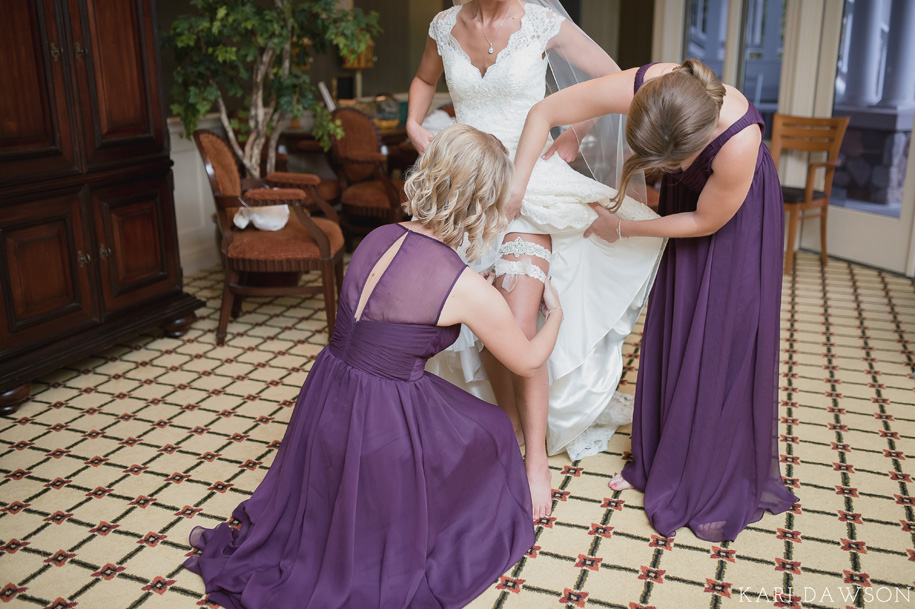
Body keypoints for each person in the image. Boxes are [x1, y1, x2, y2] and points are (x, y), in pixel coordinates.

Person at [185, 124, 563, 608]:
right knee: (490, 427)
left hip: (324, 401)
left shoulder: (378, 235)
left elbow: (396, 306)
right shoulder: (464, 284)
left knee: (465, 417)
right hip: (381, 421)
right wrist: (555, 315)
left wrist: (473, 290)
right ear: (484, 202)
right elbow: (529, 359)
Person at [510, 60, 799, 541]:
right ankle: (654, 458)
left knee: (718, 336)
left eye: (668, 166)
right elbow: (545, 110)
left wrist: (621, 227)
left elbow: (706, 221)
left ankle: (706, 468)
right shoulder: (651, 86)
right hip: (686, 203)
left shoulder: (739, 142)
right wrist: (522, 184)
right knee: (675, 324)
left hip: (733, 220)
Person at [408, 0, 665, 519]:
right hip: (466, 184)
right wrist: (415, 124)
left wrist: (574, 133)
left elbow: (613, 79)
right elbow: (421, 79)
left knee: (519, 323)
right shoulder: (443, 25)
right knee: (475, 323)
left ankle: (535, 464)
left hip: (533, 185)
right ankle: (505, 432)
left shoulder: (544, 24)